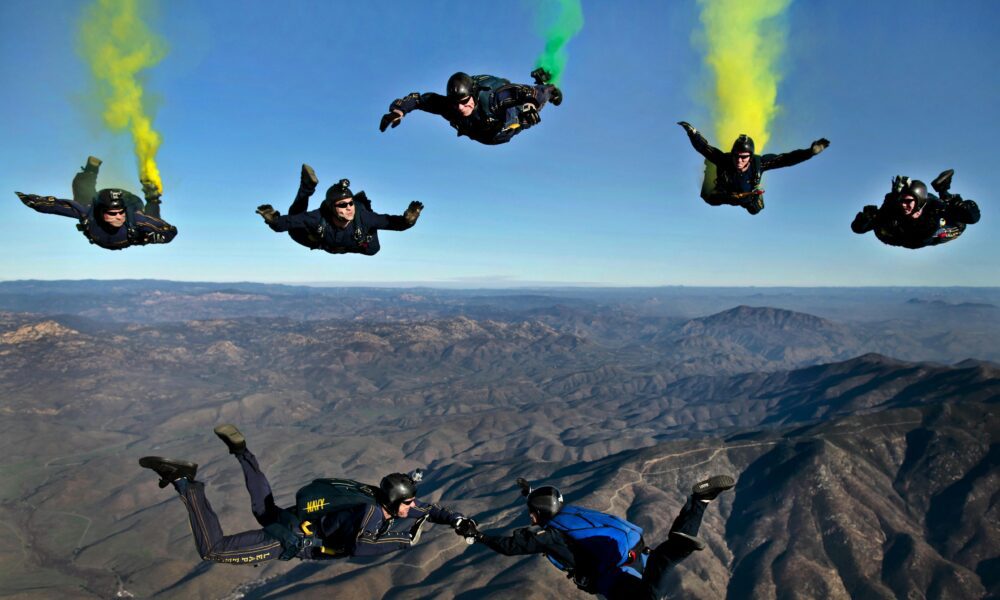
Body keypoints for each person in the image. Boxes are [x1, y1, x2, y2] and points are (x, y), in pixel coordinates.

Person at [139, 424, 469, 564]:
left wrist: (456, 520)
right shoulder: (370, 514)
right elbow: (361, 547)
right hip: (289, 538)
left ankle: (243, 453)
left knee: (263, 507)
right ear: (395, 501)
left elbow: (429, 510)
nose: (413, 506)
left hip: (294, 520)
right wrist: (406, 539)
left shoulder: (379, 499)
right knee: (213, 549)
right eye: (408, 502)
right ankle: (185, 482)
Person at [456, 475, 735, 600]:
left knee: (652, 592)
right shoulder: (572, 515)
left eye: (532, 513)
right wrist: (528, 493)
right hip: (637, 554)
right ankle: (699, 502)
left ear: (539, 514)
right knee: (656, 578)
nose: (530, 518)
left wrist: (478, 535)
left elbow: (509, 547)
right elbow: (543, 502)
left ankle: (674, 549)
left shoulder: (550, 535)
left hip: (615, 578)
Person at [15, 155, 177, 249]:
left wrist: (152, 238)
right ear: (101, 212)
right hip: (101, 199)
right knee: (81, 190)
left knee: (147, 221)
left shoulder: (135, 219)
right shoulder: (88, 210)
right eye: (113, 214)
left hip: (131, 202)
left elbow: (169, 230)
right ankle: (92, 168)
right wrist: (33, 201)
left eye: (120, 213)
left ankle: (152, 195)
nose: (119, 217)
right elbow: (56, 206)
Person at [256, 167, 422, 256]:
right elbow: (286, 223)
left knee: (373, 250)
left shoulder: (364, 218)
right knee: (294, 229)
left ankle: (367, 231)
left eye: (351, 203)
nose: (349, 207)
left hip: (358, 243)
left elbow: (396, 224)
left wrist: (409, 219)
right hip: (324, 242)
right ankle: (306, 187)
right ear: (331, 208)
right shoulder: (318, 217)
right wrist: (273, 220)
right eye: (342, 205)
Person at [677, 122, 829, 214]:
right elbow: (704, 148)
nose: (739, 160)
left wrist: (810, 152)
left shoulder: (759, 163)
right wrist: (693, 133)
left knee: (755, 210)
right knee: (709, 199)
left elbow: (786, 159)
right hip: (725, 193)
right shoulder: (724, 159)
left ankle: (752, 198)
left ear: (750, 156)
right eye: (736, 155)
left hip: (747, 196)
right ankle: (710, 171)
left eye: (744, 157)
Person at [380, 69, 563, 145]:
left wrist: (534, 101)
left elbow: (524, 92)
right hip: (481, 133)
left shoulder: (492, 98)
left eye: (464, 101)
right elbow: (418, 99)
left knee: (528, 114)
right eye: (455, 103)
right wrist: (399, 111)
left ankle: (550, 85)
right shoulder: (448, 106)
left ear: (473, 95)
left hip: (504, 125)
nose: (460, 108)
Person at [851, 170, 980, 248]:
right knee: (883, 223)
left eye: (908, 201)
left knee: (959, 218)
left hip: (936, 228)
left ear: (919, 202)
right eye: (901, 201)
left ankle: (944, 191)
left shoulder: (933, 210)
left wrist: (958, 205)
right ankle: (945, 193)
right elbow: (857, 229)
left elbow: (918, 241)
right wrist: (864, 220)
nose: (903, 205)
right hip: (903, 234)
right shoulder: (894, 206)